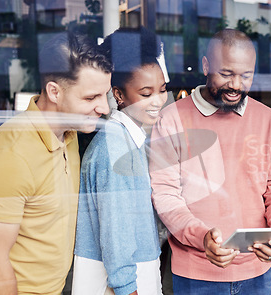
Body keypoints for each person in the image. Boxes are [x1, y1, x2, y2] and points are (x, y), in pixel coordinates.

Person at [148, 29, 271, 294]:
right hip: (196, 272)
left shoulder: (270, 122)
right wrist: (202, 237)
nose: (236, 85)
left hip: (257, 269)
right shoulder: (170, 119)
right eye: (226, 74)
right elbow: (165, 194)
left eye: (246, 76)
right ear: (206, 66)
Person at [0, 31, 112, 295]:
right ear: (54, 92)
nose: (104, 108)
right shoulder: (9, 156)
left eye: (104, 95)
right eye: (91, 98)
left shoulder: (69, 134)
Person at [72, 27, 167, 295]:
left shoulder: (128, 139)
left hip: (135, 274)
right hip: (124, 285)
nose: (158, 101)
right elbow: (117, 233)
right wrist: (127, 288)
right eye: (146, 93)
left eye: (162, 90)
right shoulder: (115, 146)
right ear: (119, 94)